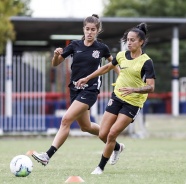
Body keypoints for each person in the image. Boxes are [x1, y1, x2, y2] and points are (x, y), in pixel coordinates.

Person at [32, 14, 121, 166]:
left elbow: (113, 64)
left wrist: (122, 78)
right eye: (87, 29)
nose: (90, 32)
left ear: (97, 31)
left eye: (93, 29)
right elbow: (56, 63)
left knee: (66, 119)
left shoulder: (101, 48)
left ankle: (47, 155)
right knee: (86, 127)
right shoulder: (75, 45)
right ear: (83, 29)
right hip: (75, 90)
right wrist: (55, 55)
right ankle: (117, 146)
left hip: (90, 90)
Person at [75, 22, 156, 175]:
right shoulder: (121, 55)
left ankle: (100, 167)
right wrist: (87, 77)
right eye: (128, 40)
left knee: (112, 134)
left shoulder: (146, 61)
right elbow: (106, 67)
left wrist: (134, 89)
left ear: (141, 42)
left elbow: (151, 87)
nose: (129, 43)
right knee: (102, 134)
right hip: (117, 97)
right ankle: (118, 148)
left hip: (133, 103)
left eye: (133, 40)